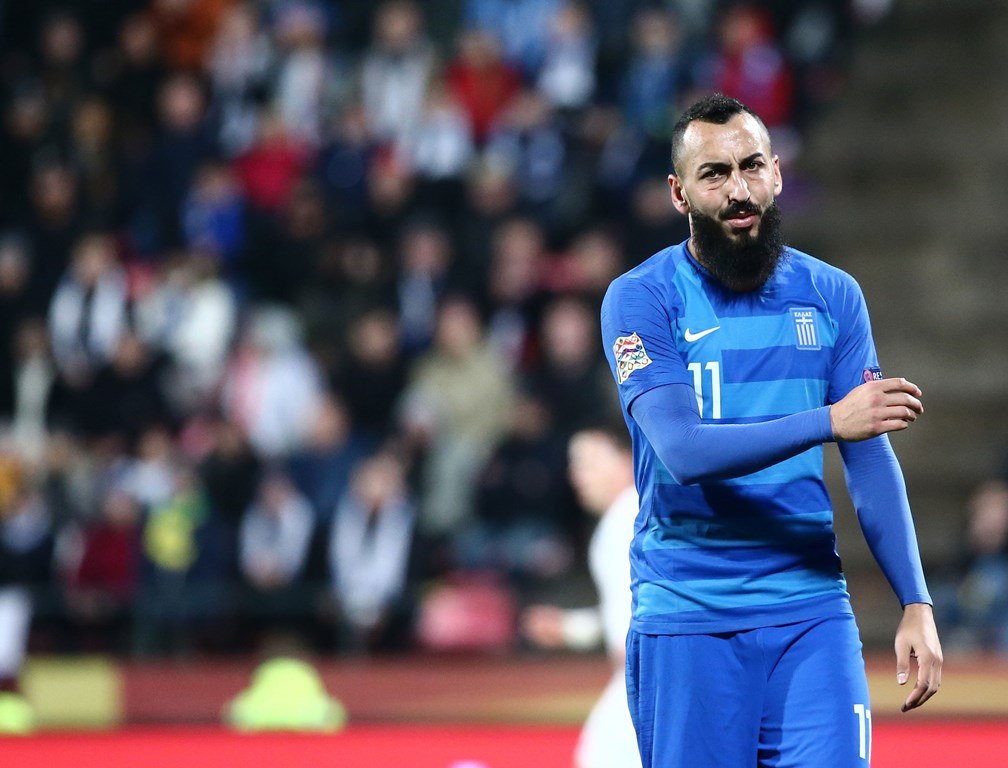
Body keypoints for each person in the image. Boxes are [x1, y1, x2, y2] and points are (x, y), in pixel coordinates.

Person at [600, 94, 942, 768]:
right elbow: (682, 451)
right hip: (689, 613)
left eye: (751, 166)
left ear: (777, 173)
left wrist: (916, 600)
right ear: (679, 193)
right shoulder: (641, 298)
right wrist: (829, 420)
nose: (738, 190)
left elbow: (870, 458)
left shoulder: (833, 295)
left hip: (811, 611)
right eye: (714, 174)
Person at [522, 427, 641, 768]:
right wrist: (569, 628)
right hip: (645, 674)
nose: (578, 475)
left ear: (626, 459)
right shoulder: (626, 516)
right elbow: (620, 614)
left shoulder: (629, 517)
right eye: (575, 465)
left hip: (648, 676)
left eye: (589, 463)